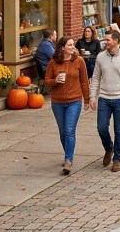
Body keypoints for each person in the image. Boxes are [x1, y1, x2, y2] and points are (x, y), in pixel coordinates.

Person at [90, 29, 120, 173]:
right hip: (104, 97)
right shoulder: (100, 57)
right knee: (101, 127)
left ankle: (117, 159)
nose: (105, 42)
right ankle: (108, 148)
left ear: (116, 41)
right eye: (105, 39)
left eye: (108, 40)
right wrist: (93, 96)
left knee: (119, 130)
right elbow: (96, 77)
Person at [44, 36, 91, 175]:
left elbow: (84, 81)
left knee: (70, 130)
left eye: (73, 45)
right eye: (70, 45)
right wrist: (55, 80)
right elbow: (46, 81)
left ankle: (68, 160)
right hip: (57, 102)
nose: (72, 47)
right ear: (62, 47)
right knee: (63, 131)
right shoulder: (53, 62)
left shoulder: (79, 61)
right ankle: (68, 153)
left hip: (74, 101)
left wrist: (87, 99)